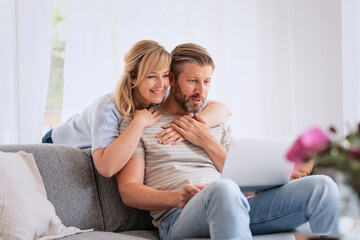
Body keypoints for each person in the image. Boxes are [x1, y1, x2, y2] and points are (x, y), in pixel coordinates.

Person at [116, 43, 340, 239]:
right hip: (180, 216)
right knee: (223, 190)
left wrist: (207, 141)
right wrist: (177, 197)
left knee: (322, 187)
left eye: (206, 81)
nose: (200, 91)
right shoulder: (140, 124)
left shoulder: (215, 123)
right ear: (172, 80)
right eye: (193, 81)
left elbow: (243, 179)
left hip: (237, 205)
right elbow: (130, 191)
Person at [42, 40, 231, 178]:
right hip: (58, 140)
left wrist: (191, 126)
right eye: (151, 76)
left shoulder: (162, 95)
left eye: (165, 75)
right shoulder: (108, 108)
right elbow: (106, 168)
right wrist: (139, 122)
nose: (161, 84)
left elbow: (223, 109)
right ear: (134, 76)